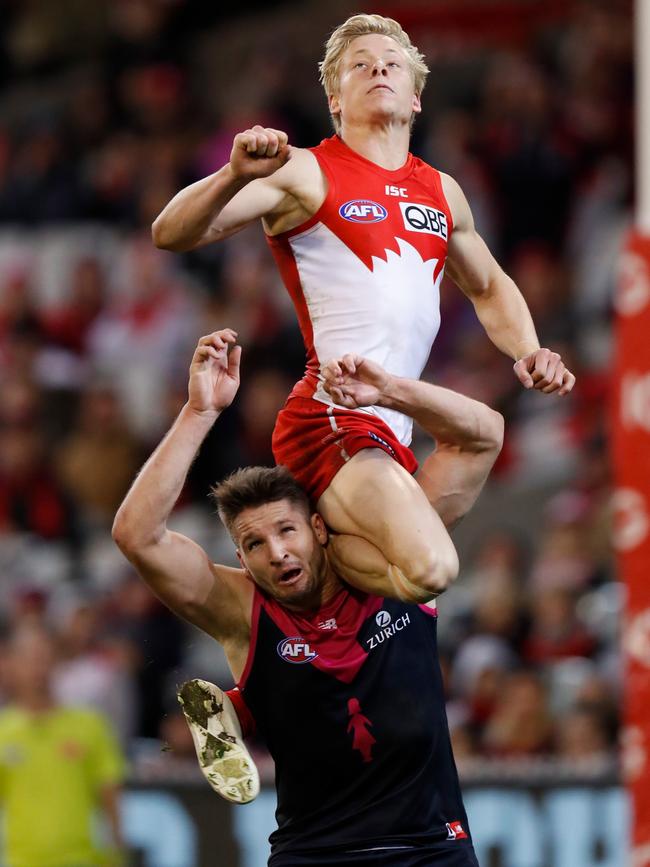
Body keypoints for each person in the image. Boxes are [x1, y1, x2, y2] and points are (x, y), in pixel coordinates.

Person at [151, 14, 575, 607]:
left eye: (393, 63)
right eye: (361, 64)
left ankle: (324, 600)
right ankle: (317, 575)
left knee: (481, 444)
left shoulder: (442, 191)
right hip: (330, 418)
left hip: (391, 429)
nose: (379, 67)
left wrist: (530, 351)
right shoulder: (306, 170)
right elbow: (170, 233)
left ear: (417, 97)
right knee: (429, 573)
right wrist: (231, 174)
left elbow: (488, 286)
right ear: (334, 97)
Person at [113, 329, 504, 866]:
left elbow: (481, 436)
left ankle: (238, 712)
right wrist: (200, 411)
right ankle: (238, 710)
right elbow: (138, 535)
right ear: (242, 557)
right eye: (254, 544)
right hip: (315, 854)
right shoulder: (244, 609)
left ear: (320, 528)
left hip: (431, 848)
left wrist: (390, 391)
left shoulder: (399, 562)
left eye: (286, 531)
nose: (275, 552)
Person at [0, 626, 126, 867]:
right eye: (29, 658)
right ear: (12, 664)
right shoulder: (3, 732)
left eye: (44, 658)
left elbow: (110, 793)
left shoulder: (90, 725)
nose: (38, 668)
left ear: (56, 662)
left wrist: (117, 852)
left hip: (81, 859)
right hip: (20, 861)